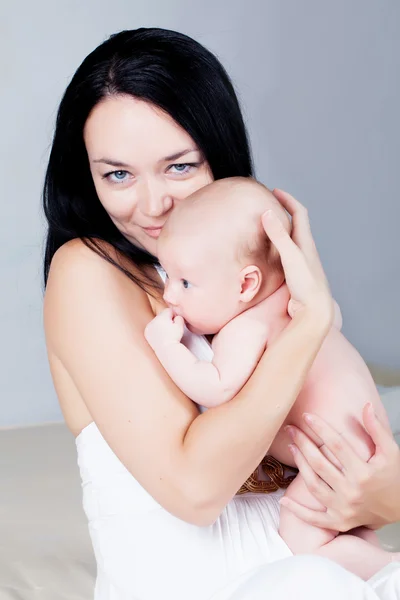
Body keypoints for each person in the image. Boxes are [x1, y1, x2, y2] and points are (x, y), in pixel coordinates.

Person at [42, 27, 400, 600]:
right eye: (118, 175)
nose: (154, 204)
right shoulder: (86, 272)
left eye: (180, 167)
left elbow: (332, 460)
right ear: (85, 175)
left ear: (219, 153)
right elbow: (195, 489)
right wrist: (306, 323)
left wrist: (389, 490)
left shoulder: (227, 277)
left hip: (319, 562)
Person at [144, 175, 397, 580]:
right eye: (167, 275)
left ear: (247, 284)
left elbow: (215, 385)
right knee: (351, 535)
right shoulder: (304, 304)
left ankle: (390, 569)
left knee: (302, 540)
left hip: (329, 462)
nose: (170, 294)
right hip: (362, 450)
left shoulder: (246, 327)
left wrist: (165, 345)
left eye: (185, 282)